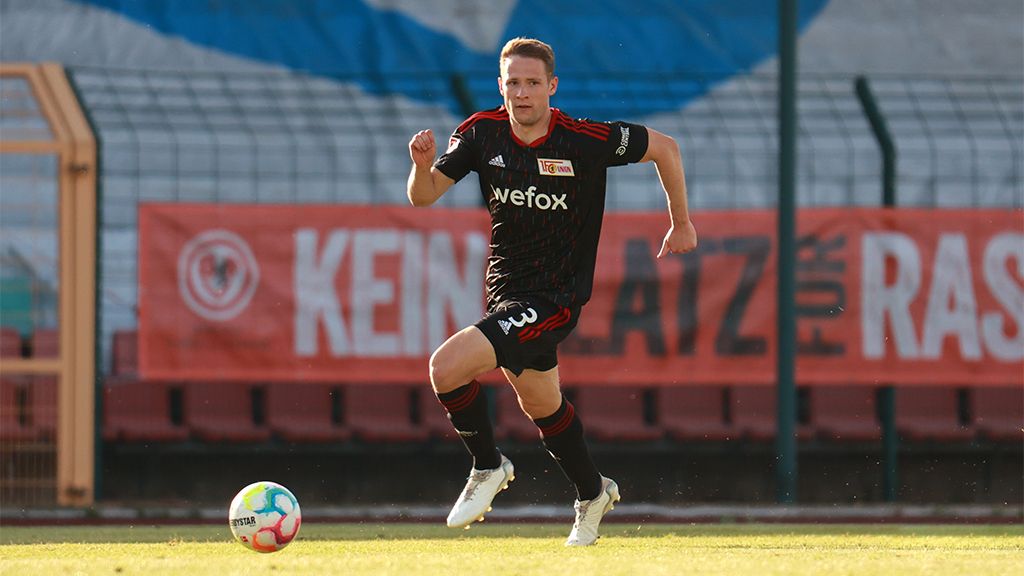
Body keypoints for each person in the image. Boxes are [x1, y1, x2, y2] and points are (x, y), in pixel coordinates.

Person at [406, 37, 697, 546]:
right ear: (500, 86)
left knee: (445, 367)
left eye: (532, 83)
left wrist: (682, 224)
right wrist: (420, 164)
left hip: (556, 298)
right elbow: (424, 195)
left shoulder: (583, 139)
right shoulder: (480, 134)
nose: (522, 93)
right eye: (512, 82)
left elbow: (666, 148)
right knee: (541, 404)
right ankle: (592, 491)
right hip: (505, 294)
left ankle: (488, 466)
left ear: (551, 87)